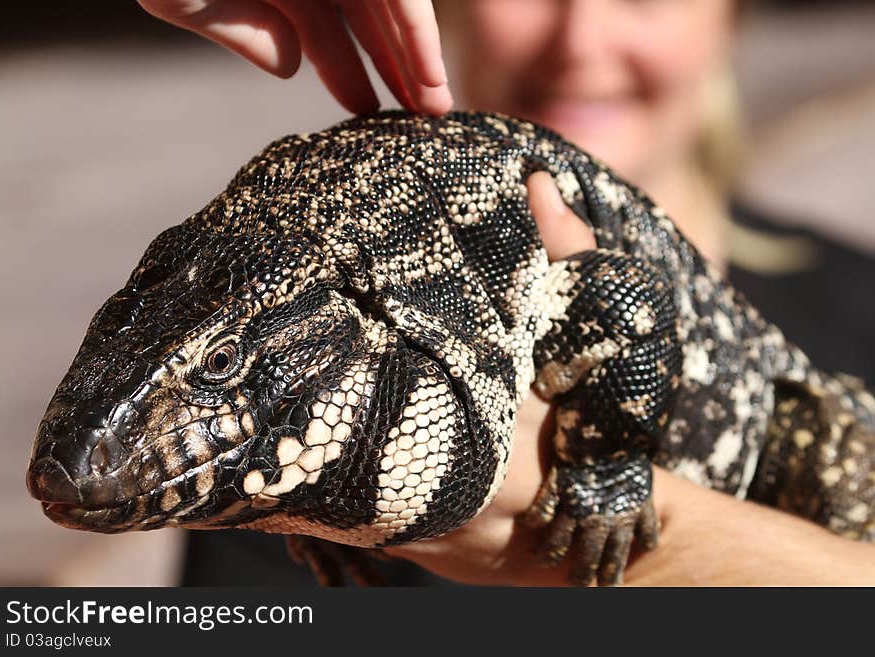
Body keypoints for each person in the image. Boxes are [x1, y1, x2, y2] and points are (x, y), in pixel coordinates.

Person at [139, 0, 875, 585]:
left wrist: (608, 485)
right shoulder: (343, 383)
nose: (579, 39)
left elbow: (628, 302)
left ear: (731, 15)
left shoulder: (857, 313)